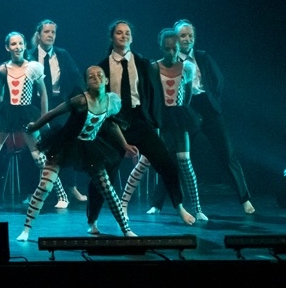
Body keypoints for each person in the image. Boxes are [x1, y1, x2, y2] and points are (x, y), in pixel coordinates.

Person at [15, 65, 138, 241]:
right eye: (91, 76)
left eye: (99, 75)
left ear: (106, 80)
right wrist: (34, 126)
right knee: (45, 187)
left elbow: (111, 124)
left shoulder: (111, 102)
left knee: (107, 189)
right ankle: (26, 230)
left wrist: (124, 144)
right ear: (86, 83)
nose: (96, 78)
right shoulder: (80, 101)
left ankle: (126, 229)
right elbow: (53, 113)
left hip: (89, 148)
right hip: (64, 145)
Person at [98, 20, 195, 226]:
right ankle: (96, 217)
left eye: (127, 33)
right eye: (119, 33)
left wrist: (153, 121)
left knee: (168, 163)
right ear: (112, 37)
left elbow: (153, 94)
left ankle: (179, 205)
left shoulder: (142, 63)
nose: (123, 36)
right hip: (115, 122)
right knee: (105, 171)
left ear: (132, 37)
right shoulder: (103, 66)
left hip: (140, 120)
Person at [0, 32, 66, 209]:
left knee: (39, 158)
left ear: (24, 45)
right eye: (13, 44)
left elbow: (43, 93)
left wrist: (44, 118)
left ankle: (62, 195)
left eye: (20, 43)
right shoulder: (2, 70)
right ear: (7, 47)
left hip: (27, 114)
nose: (17, 47)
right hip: (7, 114)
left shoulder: (33, 68)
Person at [120, 29, 205, 220]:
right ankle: (123, 203)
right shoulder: (154, 68)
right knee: (145, 161)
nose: (171, 52)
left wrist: (182, 112)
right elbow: (148, 96)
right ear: (161, 48)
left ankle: (197, 208)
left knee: (184, 160)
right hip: (158, 117)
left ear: (178, 47)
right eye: (167, 49)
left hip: (178, 117)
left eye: (174, 49)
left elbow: (187, 94)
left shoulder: (187, 68)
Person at [175, 19, 255, 214]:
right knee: (178, 155)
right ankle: (160, 203)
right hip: (186, 109)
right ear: (176, 38)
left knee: (228, 153)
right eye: (183, 35)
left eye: (190, 35)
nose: (187, 39)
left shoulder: (203, 57)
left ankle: (245, 199)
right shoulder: (171, 59)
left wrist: (212, 99)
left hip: (207, 106)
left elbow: (218, 80)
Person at [27, 19, 87, 205]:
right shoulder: (29, 55)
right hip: (35, 105)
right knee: (37, 146)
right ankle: (34, 190)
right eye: (47, 32)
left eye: (53, 32)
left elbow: (77, 77)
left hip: (59, 104)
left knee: (66, 141)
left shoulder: (62, 54)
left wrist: (82, 98)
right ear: (39, 35)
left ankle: (71, 187)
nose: (50, 35)